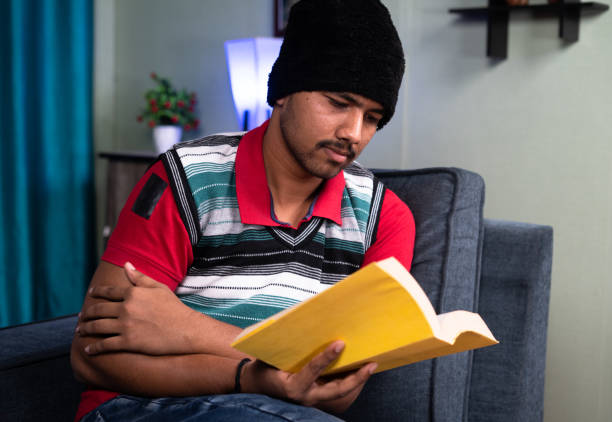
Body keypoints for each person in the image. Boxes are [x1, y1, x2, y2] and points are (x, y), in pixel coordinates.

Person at [71, 0, 415, 420]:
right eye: (338, 102)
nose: (353, 133)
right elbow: (91, 355)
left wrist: (185, 328)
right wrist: (257, 375)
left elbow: (338, 392)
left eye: (373, 117)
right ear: (285, 91)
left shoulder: (385, 217)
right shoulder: (184, 178)